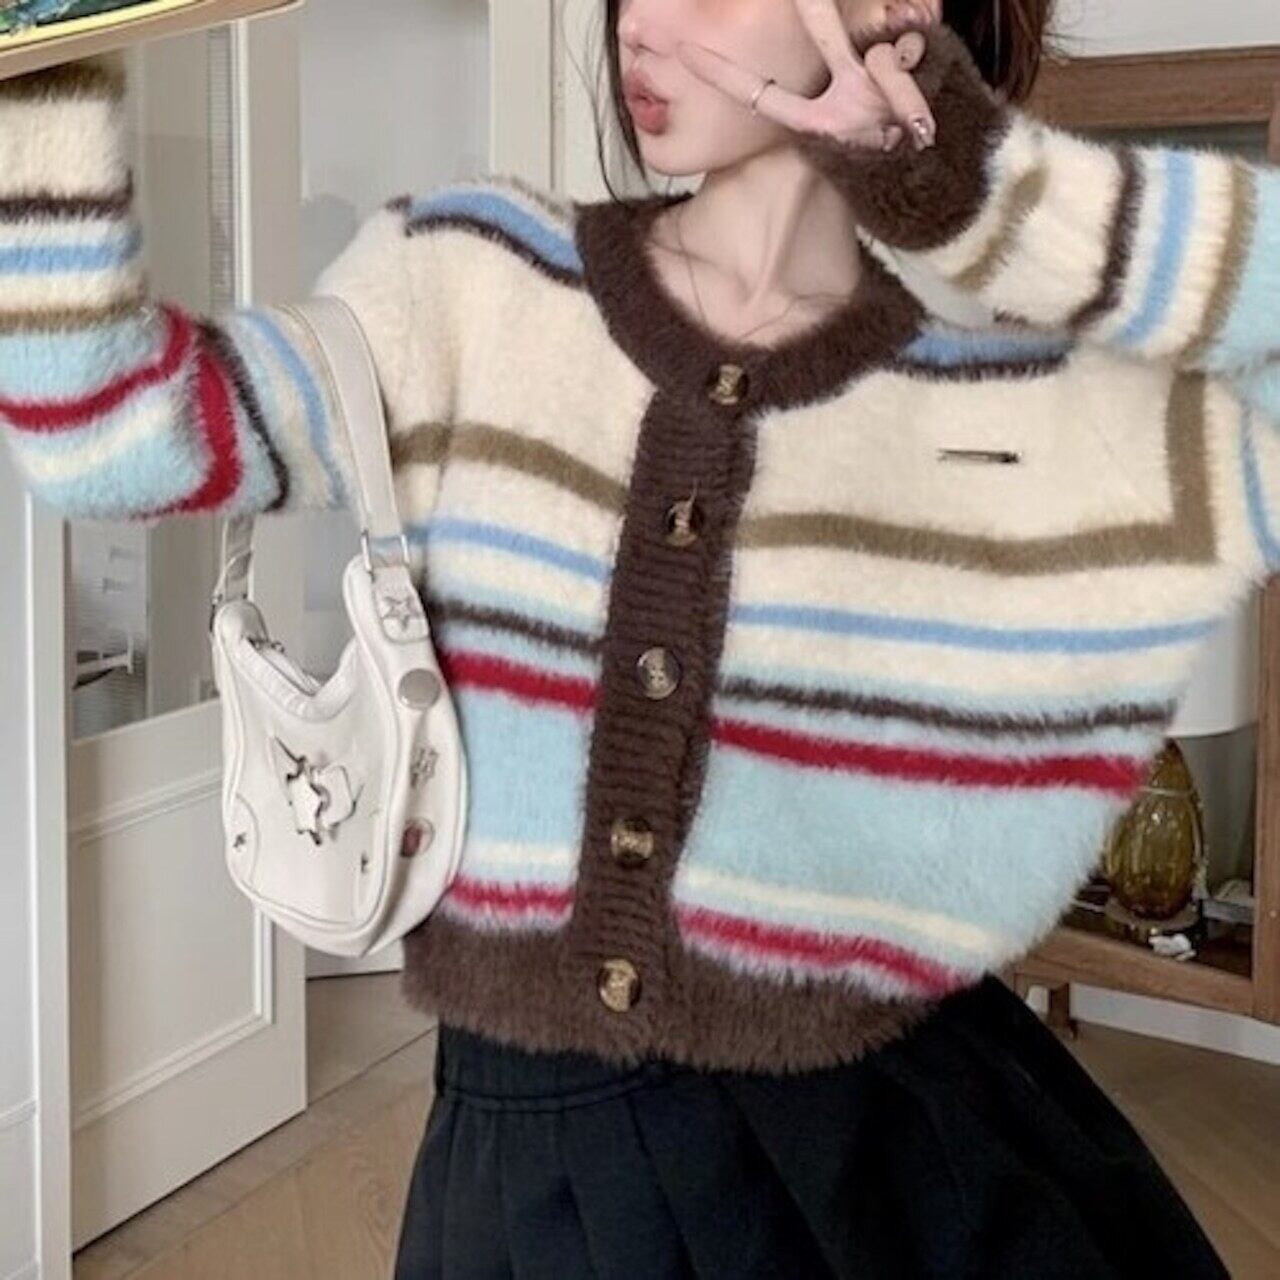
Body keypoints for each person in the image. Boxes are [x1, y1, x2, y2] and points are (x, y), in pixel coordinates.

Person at [0, 0, 1267, 1273]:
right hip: (528, 1170)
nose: (641, 25)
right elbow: (102, 431)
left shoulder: (994, 406)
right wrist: (39, 45)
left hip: (889, 1157)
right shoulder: (469, 280)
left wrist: (967, 186)